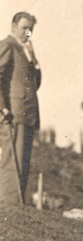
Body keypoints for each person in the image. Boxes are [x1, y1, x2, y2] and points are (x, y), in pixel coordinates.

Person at [0, 12, 41, 203]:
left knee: (22, 162)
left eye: (30, 29)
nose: (27, 33)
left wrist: (33, 59)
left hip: (27, 114)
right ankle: (9, 205)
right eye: (24, 28)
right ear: (13, 26)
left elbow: (35, 83)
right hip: (13, 113)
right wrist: (2, 107)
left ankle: (18, 205)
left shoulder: (25, 51)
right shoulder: (8, 45)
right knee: (12, 161)